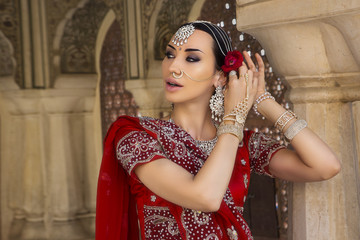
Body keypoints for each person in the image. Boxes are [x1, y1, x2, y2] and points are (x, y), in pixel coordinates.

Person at [96, 21, 341, 240]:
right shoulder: (136, 136)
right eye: (170, 55)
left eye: (191, 58)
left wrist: (264, 101)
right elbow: (206, 197)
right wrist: (234, 117)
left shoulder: (243, 144)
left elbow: (325, 166)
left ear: (220, 77)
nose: (173, 67)